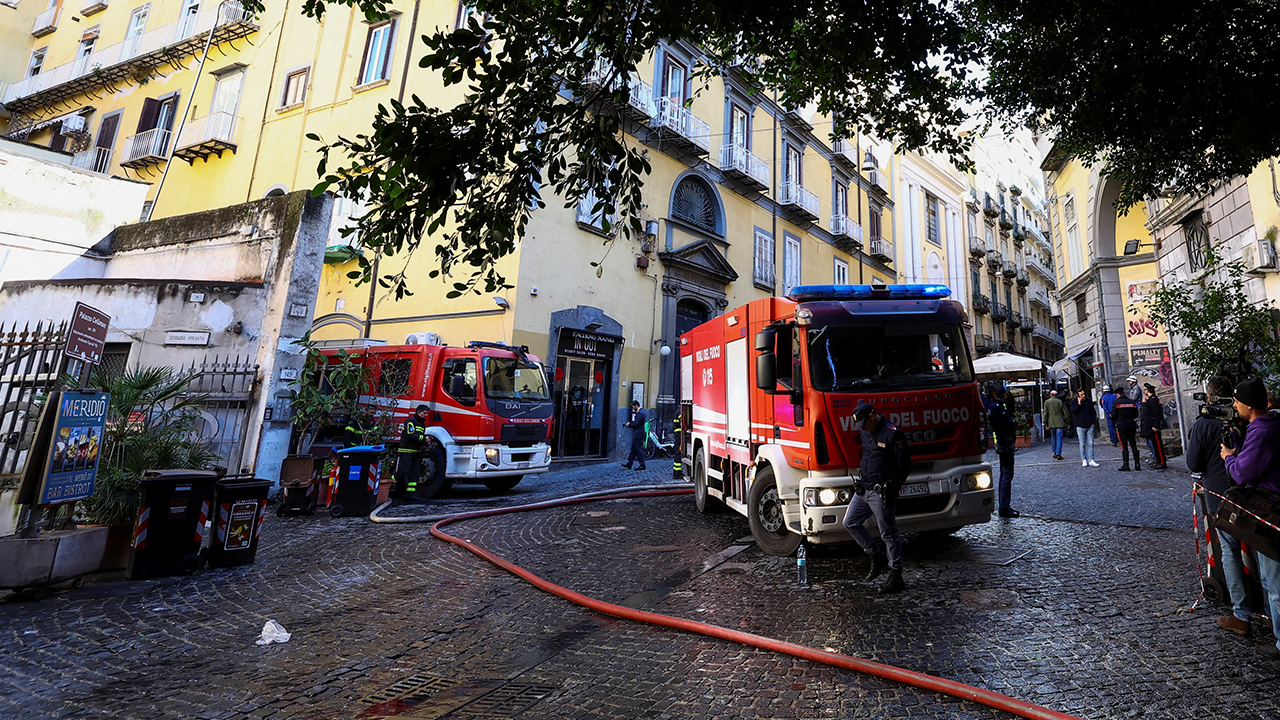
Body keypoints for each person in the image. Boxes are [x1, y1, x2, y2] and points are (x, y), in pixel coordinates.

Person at [1220, 377, 1280, 669]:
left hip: (1271, 510)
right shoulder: (1268, 425)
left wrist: (1229, 457)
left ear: (1248, 404)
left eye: (1236, 401)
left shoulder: (1262, 429)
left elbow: (1244, 472)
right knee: (1272, 580)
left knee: (1275, 582)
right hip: (1271, 508)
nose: (1234, 406)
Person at [1188, 377, 1253, 636]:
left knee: (1230, 553)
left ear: (1210, 398)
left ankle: (1241, 613)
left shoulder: (1204, 424)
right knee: (1261, 551)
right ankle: (1269, 614)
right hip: (1251, 493)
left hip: (1220, 496)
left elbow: (1194, 463)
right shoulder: (1247, 419)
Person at [841, 403, 911, 594]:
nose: (862, 428)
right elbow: (868, 456)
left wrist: (893, 487)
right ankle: (876, 555)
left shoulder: (892, 434)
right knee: (850, 522)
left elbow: (904, 465)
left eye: (864, 423)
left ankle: (896, 575)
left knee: (888, 532)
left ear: (873, 416)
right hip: (864, 487)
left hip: (882, 490)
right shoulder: (866, 432)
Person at [986, 387, 1020, 518]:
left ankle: (1003, 506)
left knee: (1003, 475)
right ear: (1003, 395)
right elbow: (1010, 423)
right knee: (1007, 475)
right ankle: (1004, 507)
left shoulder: (991, 406)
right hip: (1005, 442)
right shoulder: (999, 408)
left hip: (1001, 441)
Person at [395, 404, 431, 497]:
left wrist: (425, 444)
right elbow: (409, 435)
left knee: (414, 474)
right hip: (406, 451)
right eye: (424, 413)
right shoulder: (411, 421)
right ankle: (393, 485)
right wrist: (424, 439)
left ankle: (410, 494)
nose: (426, 415)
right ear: (418, 412)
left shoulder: (422, 424)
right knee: (403, 471)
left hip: (416, 452)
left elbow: (418, 437)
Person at [1070, 389, 1099, 467]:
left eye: (1083, 394)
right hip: (1080, 425)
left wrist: (1093, 423)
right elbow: (1072, 412)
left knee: (1090, 443)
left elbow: (1093, 412)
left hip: (1089, 424)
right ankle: (1084, 459)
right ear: (1078, 396)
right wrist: (1079, 404)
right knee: (1082, 443)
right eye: (1081, 395)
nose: (1083, 396)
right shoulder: (1074, 402)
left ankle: (1091, 459)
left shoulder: (1088, 401)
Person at [1141, 384, 1168, 470]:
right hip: (1150, 425)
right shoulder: (1151, 400)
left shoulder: (1153, 400)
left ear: (1147, 391)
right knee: (1155, 445)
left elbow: (1157, 414)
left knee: (1158, 445)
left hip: (1154, 426)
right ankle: (1158, 461)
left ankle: (1162, 462)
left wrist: (1156, 425)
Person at [1113, 394, 1141, 471]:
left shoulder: (1117, 403)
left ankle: (1126, 464)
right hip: (1131, 424)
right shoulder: (1132, 402)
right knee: (1133, 445)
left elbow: (1113, 415)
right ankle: (1137, 464)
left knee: (1124, 446)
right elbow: (1136, 414)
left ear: (1118, 395)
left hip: (1122, 425)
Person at [1043, 390, 1070, 460]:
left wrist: (1045, 423)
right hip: (1059, 422)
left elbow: (1045, 413)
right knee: (1059, 438)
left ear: (1050, 395)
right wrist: (1067, 421)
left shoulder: (1047, 402)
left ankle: (1054, 452)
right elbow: (1066, 412)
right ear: (1057, 395)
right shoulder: (1060, 402)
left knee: (1053, 437)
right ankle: (1058, 453)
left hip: (1051, 423)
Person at [621, 400, 647, 471]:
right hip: (638, 434)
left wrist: (629, 424)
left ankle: (642, 464)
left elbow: (636, 424)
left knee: (638, 450)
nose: (632, 408)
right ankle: (629, 463)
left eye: (633, 406)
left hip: (638, 434)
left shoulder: (640, 413)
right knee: (633, 450)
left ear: (636, 405)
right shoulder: (640, 413)